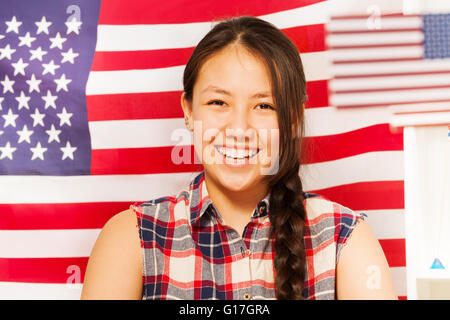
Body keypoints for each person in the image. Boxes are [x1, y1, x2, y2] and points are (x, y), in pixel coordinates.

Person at [81, 16, 398, 300]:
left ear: (293, 120)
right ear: (189, 111)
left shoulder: (345, 238)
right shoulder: (132, 238)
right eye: (218, 102)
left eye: (264, 106)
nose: (239, 129)